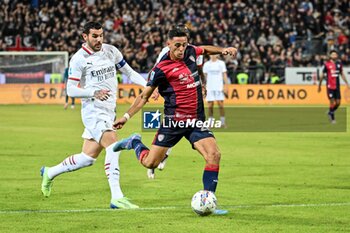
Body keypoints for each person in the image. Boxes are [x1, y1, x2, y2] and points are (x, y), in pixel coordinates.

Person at [112, 26, 237, 214]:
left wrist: (223, 50)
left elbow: (204, 48)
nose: (181, 49)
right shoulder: (160, 69)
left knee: (214, 155)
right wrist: (126, 117)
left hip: (195, 121)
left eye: (184, 45)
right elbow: (143, 97)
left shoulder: (190, 52)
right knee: (151, 163)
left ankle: (208, 201)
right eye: (177, 45)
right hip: (173, 122)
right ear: (168, 44)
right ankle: (135, 142)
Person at [40, 22, 147, 209]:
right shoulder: (79, 59)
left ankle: (50, 172)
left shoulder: (111, 51)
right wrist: (92, 92)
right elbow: (71, 89)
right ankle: (117, 197)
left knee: (87, 157)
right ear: (85, 37)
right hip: (93, 112)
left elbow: (129, 72)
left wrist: (147, 86)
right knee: (113, 146)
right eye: (94, 36)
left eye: (101, 35)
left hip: (108, 111)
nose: (99, 39)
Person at [146, 25, 205, 179]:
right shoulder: (165, 54)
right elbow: (157, 71)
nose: (182, 47)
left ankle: (162, 155)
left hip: (189, 89)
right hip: (172, 89)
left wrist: (202, 83)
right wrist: (157, 89)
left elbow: (198, 69)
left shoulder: (192, 50)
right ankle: (156, 158)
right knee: (174, 120)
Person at [318, 50, 349, 123]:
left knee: (338, 103)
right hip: (330, 86)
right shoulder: (327, 64)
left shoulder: (339, 64)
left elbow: (342, 74)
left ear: (337, 56)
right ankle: (332, 118)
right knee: (332, 102)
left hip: (337, 86)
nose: (334, 55)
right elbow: (322, 75)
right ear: (330, 56)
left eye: (335, 54)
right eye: (333, 54)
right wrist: (319, 85)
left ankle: (330, 111)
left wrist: (347, 83)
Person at [203, 55, 229, 127]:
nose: (213, 56)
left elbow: (224, 75)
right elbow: (204, 77)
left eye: (214, 54)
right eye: (211, 54)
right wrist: (204, 87)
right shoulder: (206, 64)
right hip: (210, 87)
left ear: (217, 55)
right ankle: (210, 122)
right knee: (210, 106)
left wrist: (226, 86)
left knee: (221, 105)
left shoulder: (221, 63)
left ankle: (223, 122)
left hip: (219, 87)